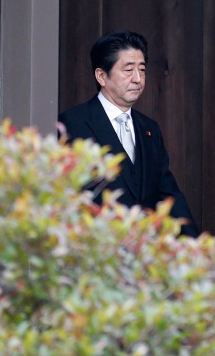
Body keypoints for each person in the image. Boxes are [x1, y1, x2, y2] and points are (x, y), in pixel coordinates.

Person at [57, 30, 199, 237]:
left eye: (142, 70)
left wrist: (194, 245)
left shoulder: (148, 128)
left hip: (144, 253)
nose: (138, 79)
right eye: (128, 70)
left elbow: (168, 194)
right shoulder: (74, 123)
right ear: (101, 76)